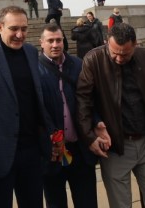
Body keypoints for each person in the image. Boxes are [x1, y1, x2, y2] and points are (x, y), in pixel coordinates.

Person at [76, 23, 145, 208]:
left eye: (125, 54)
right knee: (121, 204)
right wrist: (89, 137)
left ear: (135, 44)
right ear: (106, 42)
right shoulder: (93, 59)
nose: (120, 58)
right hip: (115, 146)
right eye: (115, 53)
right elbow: (83, 101)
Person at [0, 6, 52, 208]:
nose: (19, 34)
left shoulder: (31, 52)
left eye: (24, 29)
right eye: (14, 29)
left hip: (32, 151)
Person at [37, 24, 98, 208]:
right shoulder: (34, 69)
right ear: (42, 43)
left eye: (59, 40)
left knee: (87, 201)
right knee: (55, 202)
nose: (55, 44)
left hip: (79, 149)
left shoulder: (78, 64)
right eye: (50, 41)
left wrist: (97, 122)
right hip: (52, 152)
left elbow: (90, 100)